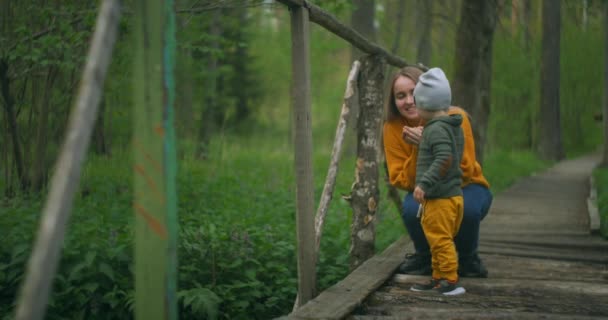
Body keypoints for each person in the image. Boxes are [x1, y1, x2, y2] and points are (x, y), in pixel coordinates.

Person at [383, 65, 493, 278]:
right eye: (400, 96)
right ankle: (425, 256)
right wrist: (418, 150)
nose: (408, 101)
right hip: (426, 189)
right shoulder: (393, 127)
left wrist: (425, 143)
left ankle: (468, 259)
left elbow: (465, 169)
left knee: (466, 210)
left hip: (466, 186)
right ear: (393, 101)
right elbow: (401, 179)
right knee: (413, 207)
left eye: (413, 93)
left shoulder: (455, 117)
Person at [407, 67, 465, 295]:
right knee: (437, 239)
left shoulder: (435, 130)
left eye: (417, 102)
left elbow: (444, 158)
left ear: (425, 104)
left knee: (440, 240)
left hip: (441, 198)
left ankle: (450, 280)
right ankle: (438, 278)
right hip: (450, 195)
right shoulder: (450, 127)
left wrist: (424, 184)